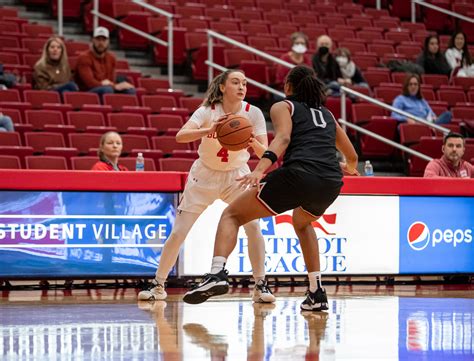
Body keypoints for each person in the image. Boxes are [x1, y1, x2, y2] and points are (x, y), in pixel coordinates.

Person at [182, 65, 359, 311]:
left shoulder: (283, 106)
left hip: (298, 174)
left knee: (231, 215)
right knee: (303, 223)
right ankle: (316, 291)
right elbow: (352, 157)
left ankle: (217, 274)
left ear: (288, 86)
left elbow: (283, 138)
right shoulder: (328, 115)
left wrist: (259, 170)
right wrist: (344, 166)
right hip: (329, 182)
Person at [138, 69, 275, 304]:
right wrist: (210, 130)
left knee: (254, 228)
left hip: (237, 177)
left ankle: (260, 285)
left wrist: (250, 139)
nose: (242, 87)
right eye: (235, 82)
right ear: (222, 87)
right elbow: (181, 136)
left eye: (244, 82)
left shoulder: (253, 114)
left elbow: (267, 153)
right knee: (180, 231)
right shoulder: (207, 111)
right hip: (204, 176)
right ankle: (158, 284)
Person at [75, 27, 135, 96]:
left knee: (130, 90)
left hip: (107, 88)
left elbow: (111, 80)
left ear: (108, 41)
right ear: (92, 40)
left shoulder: (111, 58)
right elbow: (90, 83)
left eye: (104, 40)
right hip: (87, 92)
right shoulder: (84, 57)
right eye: (98, 39)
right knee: (107, 89)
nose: (101, 43)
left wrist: (117, 85)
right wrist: (114, 86)